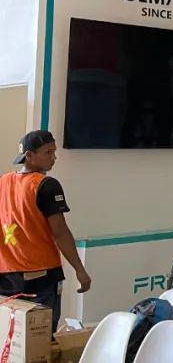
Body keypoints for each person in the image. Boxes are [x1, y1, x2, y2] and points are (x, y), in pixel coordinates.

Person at [0, 131, 91, 332]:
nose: (54, 158)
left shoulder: (3, 182)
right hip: (40, 276)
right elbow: (59, 231)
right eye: (48, 153)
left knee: (11, 337)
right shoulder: (46, 185)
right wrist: (80, 269)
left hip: (6, 276)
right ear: (29, 156)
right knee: (40, 339)